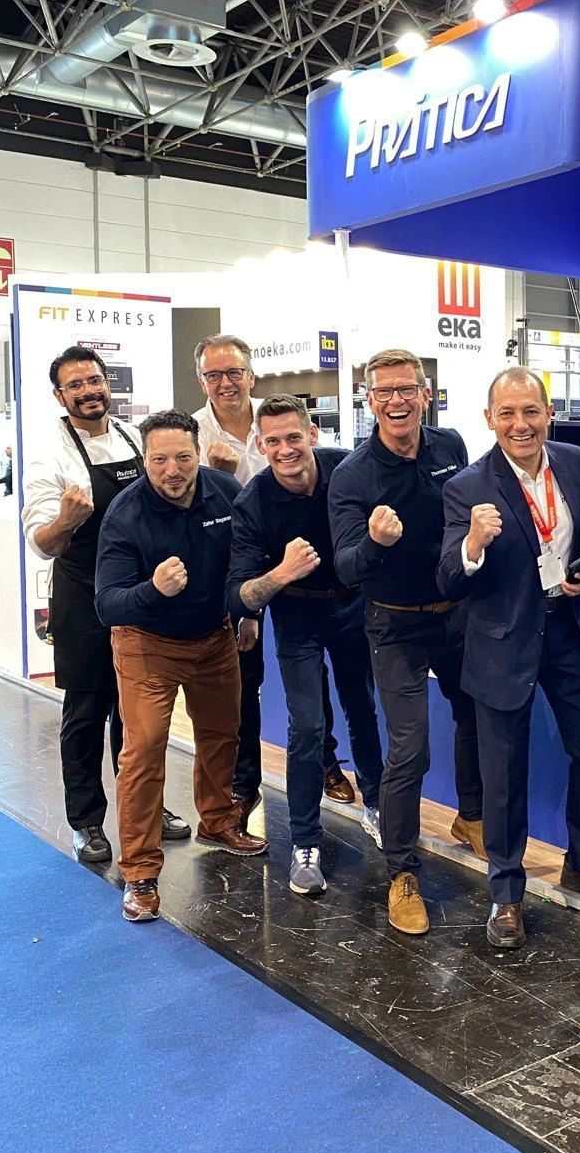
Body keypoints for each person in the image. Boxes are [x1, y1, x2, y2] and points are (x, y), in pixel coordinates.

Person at [438, 368, 580, 949]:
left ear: (548, 413)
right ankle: (506, 893)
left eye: (531, 412)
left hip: (566, 627)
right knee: (503, 775)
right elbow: (449, 577)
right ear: (489, 418)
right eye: (508, 414)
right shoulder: (466, 486)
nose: (521, 424)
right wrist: (473, 542)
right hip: (501, 639)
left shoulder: (572, 460)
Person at [328, 348, 484, 935]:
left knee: (475, 716)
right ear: (370, 401)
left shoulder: (451, 447)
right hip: (393, 622)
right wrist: (373, 542)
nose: (397, 400)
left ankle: (470, 818)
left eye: (407, 389)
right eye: (384, 391)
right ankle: (401, 871)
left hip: (455, 612)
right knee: (410, 747)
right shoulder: (353, 475)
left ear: (425, 393)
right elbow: (345, 567)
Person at [95, 409, 266, 924]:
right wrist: (154, 589)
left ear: (198, 453)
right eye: (160, 459)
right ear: (145, 460)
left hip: (214, 637)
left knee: (222, 735)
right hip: (147, 643)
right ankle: (141, 871)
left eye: (183, 457)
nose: (173, 469)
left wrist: (246, 611)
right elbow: (107, 604)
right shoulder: (125, 514)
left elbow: (245, 560)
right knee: (144, 751)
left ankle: (216, 820)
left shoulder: (222, 492)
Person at [21, 345, 189, 863]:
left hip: (140, 593)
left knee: (139, 713)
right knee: (87, 711)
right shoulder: (49, 454)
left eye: (94, 381)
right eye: (76, 385)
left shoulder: (129, 437)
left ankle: (143, 807)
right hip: (85, 597)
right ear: (60, 395)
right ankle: (87, 822)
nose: (89, 391)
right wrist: (68, 518)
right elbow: (43, 542)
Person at [227, 395, 385, 896]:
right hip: (297, 614)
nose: (284, 449)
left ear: (312, 433)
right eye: (271, 441)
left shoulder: (347, 470)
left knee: (362, 709)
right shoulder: (253, 500)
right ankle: (304, 842)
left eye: (293, 437)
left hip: (353, 605)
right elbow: (239, 591)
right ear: (259, 444)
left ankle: (376, 804)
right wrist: (281, 572)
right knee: (308, 726)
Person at [193, 333, 355, 818]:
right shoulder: (192, 435)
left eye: (234, 372)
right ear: (202, 380)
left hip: (300, 571)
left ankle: (326, 761)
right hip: (230, 570)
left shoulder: (279, 419)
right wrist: (208, 472)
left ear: (251, 374)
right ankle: (245, 784)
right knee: (242, 682)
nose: (226, 383)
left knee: (312, 677)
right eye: (214, 374)